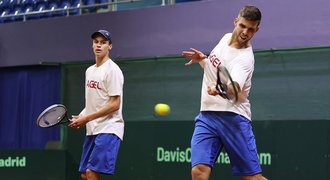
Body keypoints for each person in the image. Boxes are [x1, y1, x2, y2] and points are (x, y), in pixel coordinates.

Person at [182, 5, 267, 180]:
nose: (245, 32)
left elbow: (234, 89)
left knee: (252, 178)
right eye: (242, 26)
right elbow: (217, 70)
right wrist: (202, 60)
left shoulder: (244, 59)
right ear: (235, 21)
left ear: (256, 30)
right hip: (207, 116)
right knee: (198, 171)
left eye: (251, 29)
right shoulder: (225, 38)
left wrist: (218, 89)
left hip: (233, 119)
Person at [69, 29, 124, 180]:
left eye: (103, 43)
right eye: (96, 42)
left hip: (109, 127)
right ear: (92, 45)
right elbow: (95, 101)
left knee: (91, 172)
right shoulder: (90, 71)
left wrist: (86, 119)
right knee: (85, 175)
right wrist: (82, 116)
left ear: (110, 46)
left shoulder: (113, 70)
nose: (99, 45)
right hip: (92, 129)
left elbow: (115, 104)